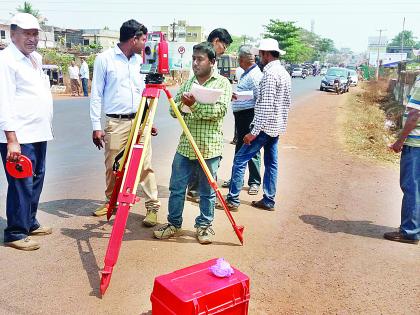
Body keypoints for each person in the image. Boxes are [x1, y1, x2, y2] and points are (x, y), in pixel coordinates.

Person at [154, 42, 232, 244]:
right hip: (186, 146)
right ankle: (173, 223)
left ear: (212, 62)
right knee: (177, 187)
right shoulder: (188, 84)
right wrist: (182, 104)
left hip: (209, 147)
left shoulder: (222, 83)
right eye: (194, 59)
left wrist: (194, 105)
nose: (196, 63)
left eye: (200, 59)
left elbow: (218, 112)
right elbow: (173, 110)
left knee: (207, 191)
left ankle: (204, 227)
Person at [89, 19, 160, 226]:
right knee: (113, 165)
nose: (145, 43)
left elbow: (147, 93)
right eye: (143, 39)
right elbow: (96, 94)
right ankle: (111, 201)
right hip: (116, 122)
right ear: (133, 39)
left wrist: (148, 119)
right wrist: (96, 126)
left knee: (144, 165)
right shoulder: (104, 59)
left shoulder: (142, 61)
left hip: (140, 121)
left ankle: (152, 207)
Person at [0, 13, 53, 250]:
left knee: (37, 179)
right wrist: (11, 139)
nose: (32, 39)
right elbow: (3, 101)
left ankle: (29, 222)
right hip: (19, 136)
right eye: (26, 34)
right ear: (13, 34)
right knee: (21, 183)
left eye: (35, 34)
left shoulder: (34, 58)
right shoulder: (6, 61)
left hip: (38, 132)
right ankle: (15, 232)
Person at [225, 38, 291, 211]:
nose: (259, 57)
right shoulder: (283, 73)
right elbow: (284, 104)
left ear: (266, 54)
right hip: (275, 127)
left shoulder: (270, 74)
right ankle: (268, 199)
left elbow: (265, 106)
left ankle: (233, 199)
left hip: (264, 127)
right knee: (271, 163)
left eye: (260, 54)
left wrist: (253, 132)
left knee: (240, 160)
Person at [187, 28, 233, 202]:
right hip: (199, 116)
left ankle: (198, 192)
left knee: (205, 157)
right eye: (224, 44)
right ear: (215, 41)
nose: (225, 49)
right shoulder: (202, 58)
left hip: (211, 123)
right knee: (196, 156)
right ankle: (195, 191)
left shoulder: (215, 64)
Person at [222, 45, 263, 195]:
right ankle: (235, 179)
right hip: (241, 116)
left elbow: (260, 99)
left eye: (239, 58)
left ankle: (254, 182)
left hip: (249, 115)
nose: (238, 61)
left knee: (251, 148)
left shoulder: (255, 75)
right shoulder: (247, 73)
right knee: (240, 148)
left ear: (244, 60)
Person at [384, 75, 420, 245]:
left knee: (411, 187)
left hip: (415, 145)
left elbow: (414, 115)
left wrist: (400, 141)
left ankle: (409, 232)